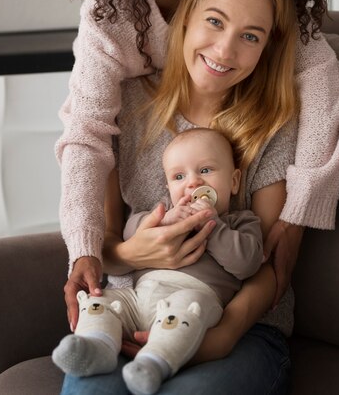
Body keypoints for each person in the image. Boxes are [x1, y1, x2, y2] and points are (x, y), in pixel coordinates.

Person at [56, 0, 339, 331]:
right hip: (139, 288)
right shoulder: (115, 12)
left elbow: (321, 77)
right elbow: (86, 133)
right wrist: (89, 249)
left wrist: (300, 213)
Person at [59, 0, 299, 394]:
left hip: (238, 324)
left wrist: (223, 334)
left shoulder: (273, 124)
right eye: (214, 21)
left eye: (250, 36)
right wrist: (137, 250)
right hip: (133, 308)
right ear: (185, 20)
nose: (225, 51)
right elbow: (108, 248)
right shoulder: (128, 104)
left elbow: (266, 263)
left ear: (266, 48)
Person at [53, 128, 263, 395]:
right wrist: (162, 223)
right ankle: (97, 345)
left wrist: (213, 224)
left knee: (189, 310)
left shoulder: (239, 222)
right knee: (100, 299)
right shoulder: (162, 213)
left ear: (234, 182)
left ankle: (154, 363)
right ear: (168, 187)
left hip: (193, 298)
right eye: (179, 176)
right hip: (138, 299)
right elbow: (131, 232)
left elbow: (248, 263)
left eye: (206, 171)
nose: (192, 183)